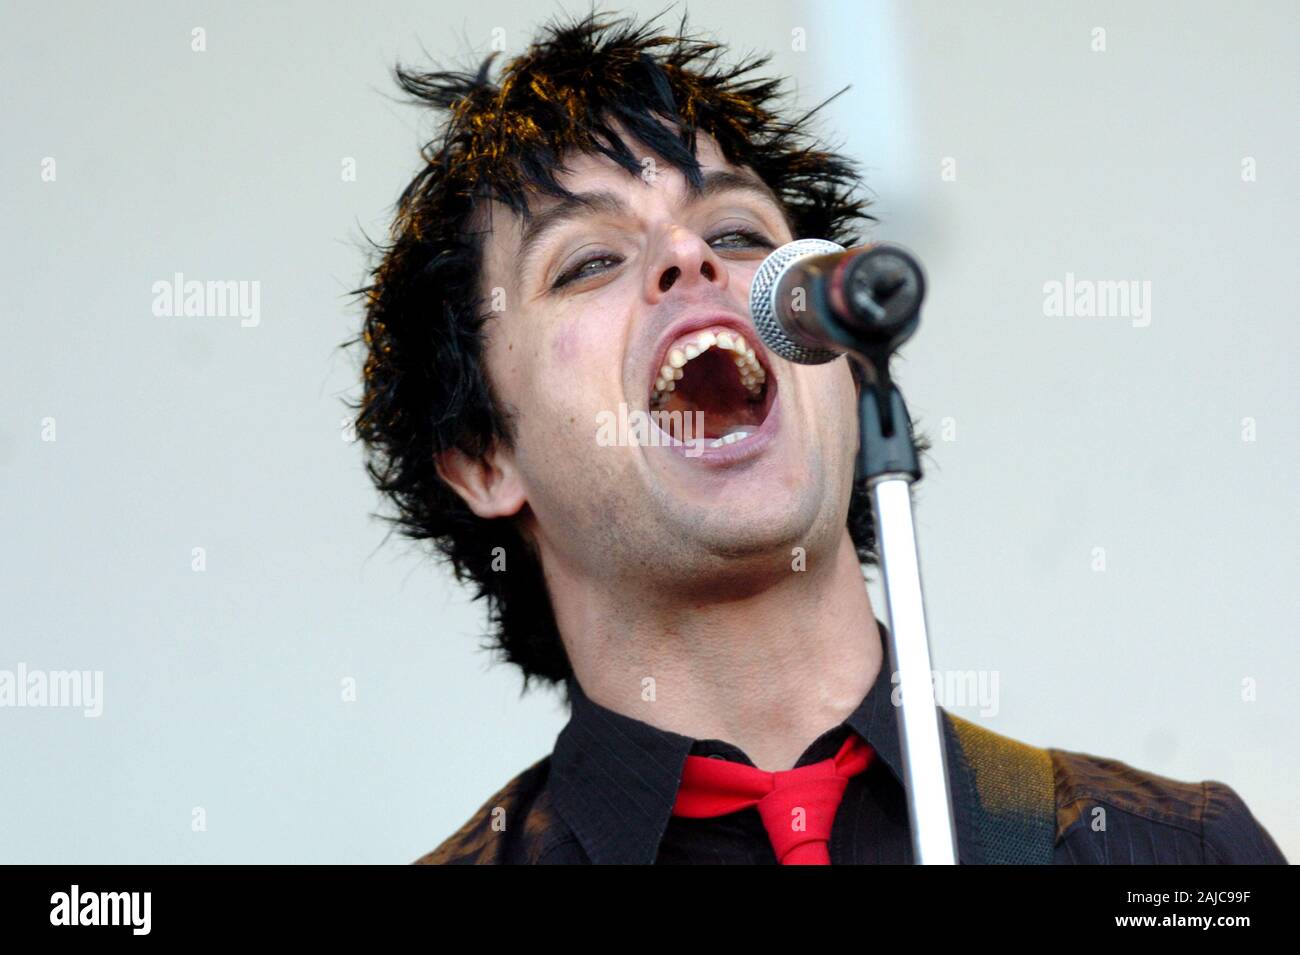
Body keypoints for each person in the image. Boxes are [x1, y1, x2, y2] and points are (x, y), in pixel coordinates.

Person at [348, 11, 1287, 864]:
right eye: (590, 259)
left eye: (741, 229)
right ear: (483, 458)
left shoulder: (1183, 861)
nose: (688, 254)